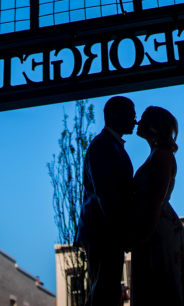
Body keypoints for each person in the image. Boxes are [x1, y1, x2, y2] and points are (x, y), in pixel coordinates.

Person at [130, 106, 184, 305]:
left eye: (143, 119)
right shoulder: (156, 154)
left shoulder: (161, 155)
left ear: (154, 126)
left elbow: (157, 199)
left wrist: (145, 235)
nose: (138, 122)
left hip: (156, 228)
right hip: (154, 227)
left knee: (161, 283)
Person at [76, 96, 137, 306]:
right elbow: (106, 194)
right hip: (102, 232)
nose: (135, 121)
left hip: (104, 231)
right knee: (104, 293)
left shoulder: (109, 145)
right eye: (131, 116)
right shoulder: (102, 146)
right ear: (117, 117)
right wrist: (123, 231)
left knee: (107, 291)